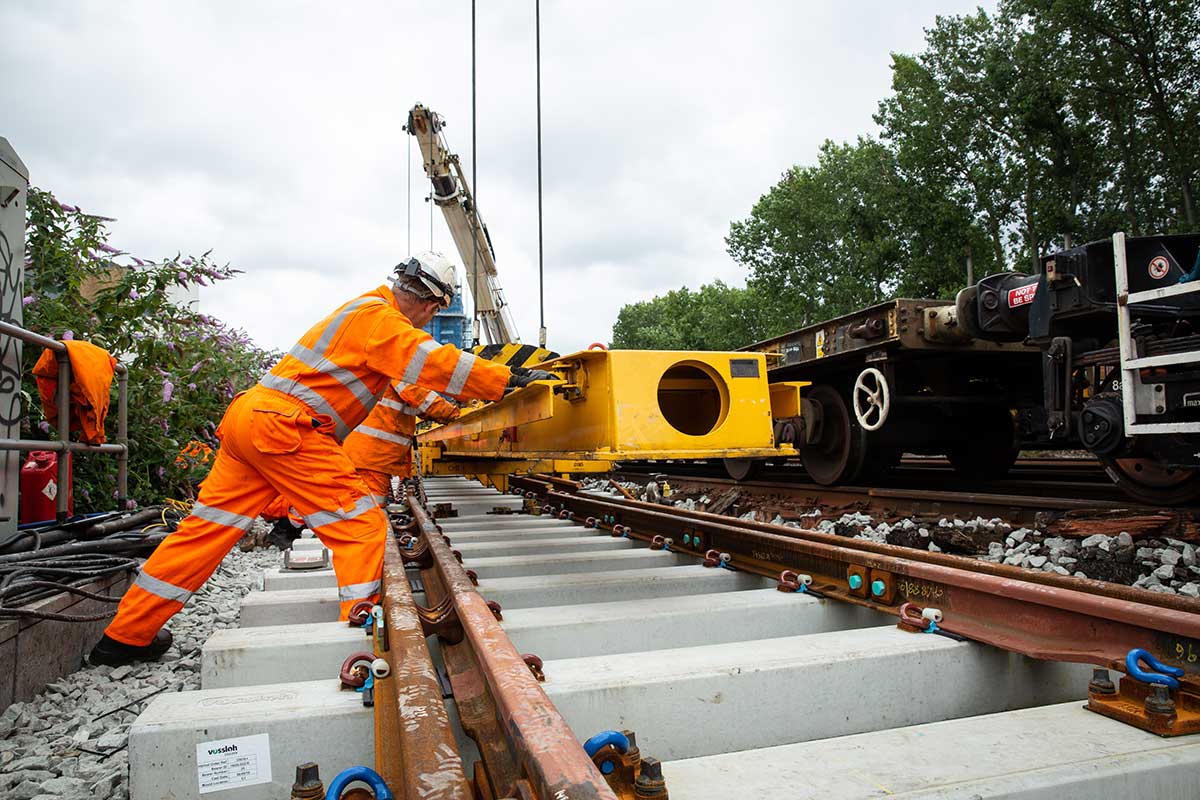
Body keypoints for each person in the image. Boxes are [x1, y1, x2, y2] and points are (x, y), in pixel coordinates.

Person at [90, 252, 553, 665]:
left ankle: (125, 637)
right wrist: (506, 379)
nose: (428, 319)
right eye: (432, 311)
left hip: (250, 419)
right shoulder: (381, 319)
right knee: (361, 526)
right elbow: (435, 364)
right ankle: (361, 628)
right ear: (431, 304)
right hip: (283, 426)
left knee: (203, 531)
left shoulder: (362, 312)